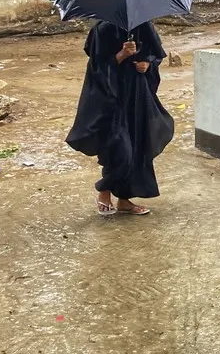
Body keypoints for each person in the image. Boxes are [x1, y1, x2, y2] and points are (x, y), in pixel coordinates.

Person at [66, 20, 174, 217]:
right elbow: (96, 68)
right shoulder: (102, 29)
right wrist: (121, 55)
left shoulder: (143, 26)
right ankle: (104, 192)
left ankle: (124, 200)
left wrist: (147, 64)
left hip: (137, 96)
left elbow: (155, 54)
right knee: (119, 147)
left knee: (138, 146)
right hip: (111, 99)